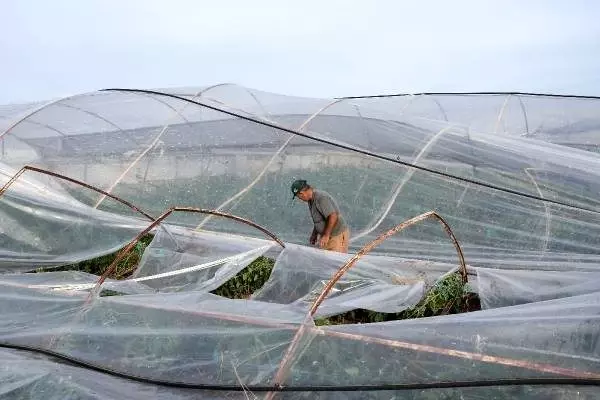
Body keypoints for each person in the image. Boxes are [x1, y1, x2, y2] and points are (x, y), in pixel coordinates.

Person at [290, 179, 350, 253]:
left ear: (302, 193)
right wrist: (314, 234)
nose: (300, 199)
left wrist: (326, 235)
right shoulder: (311, 200)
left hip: (336, 235)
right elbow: (319, 219)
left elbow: (333, 216)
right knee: (326, 261)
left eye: (299, 197)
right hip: (327, 236)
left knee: (336, 262)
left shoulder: (321, 198)